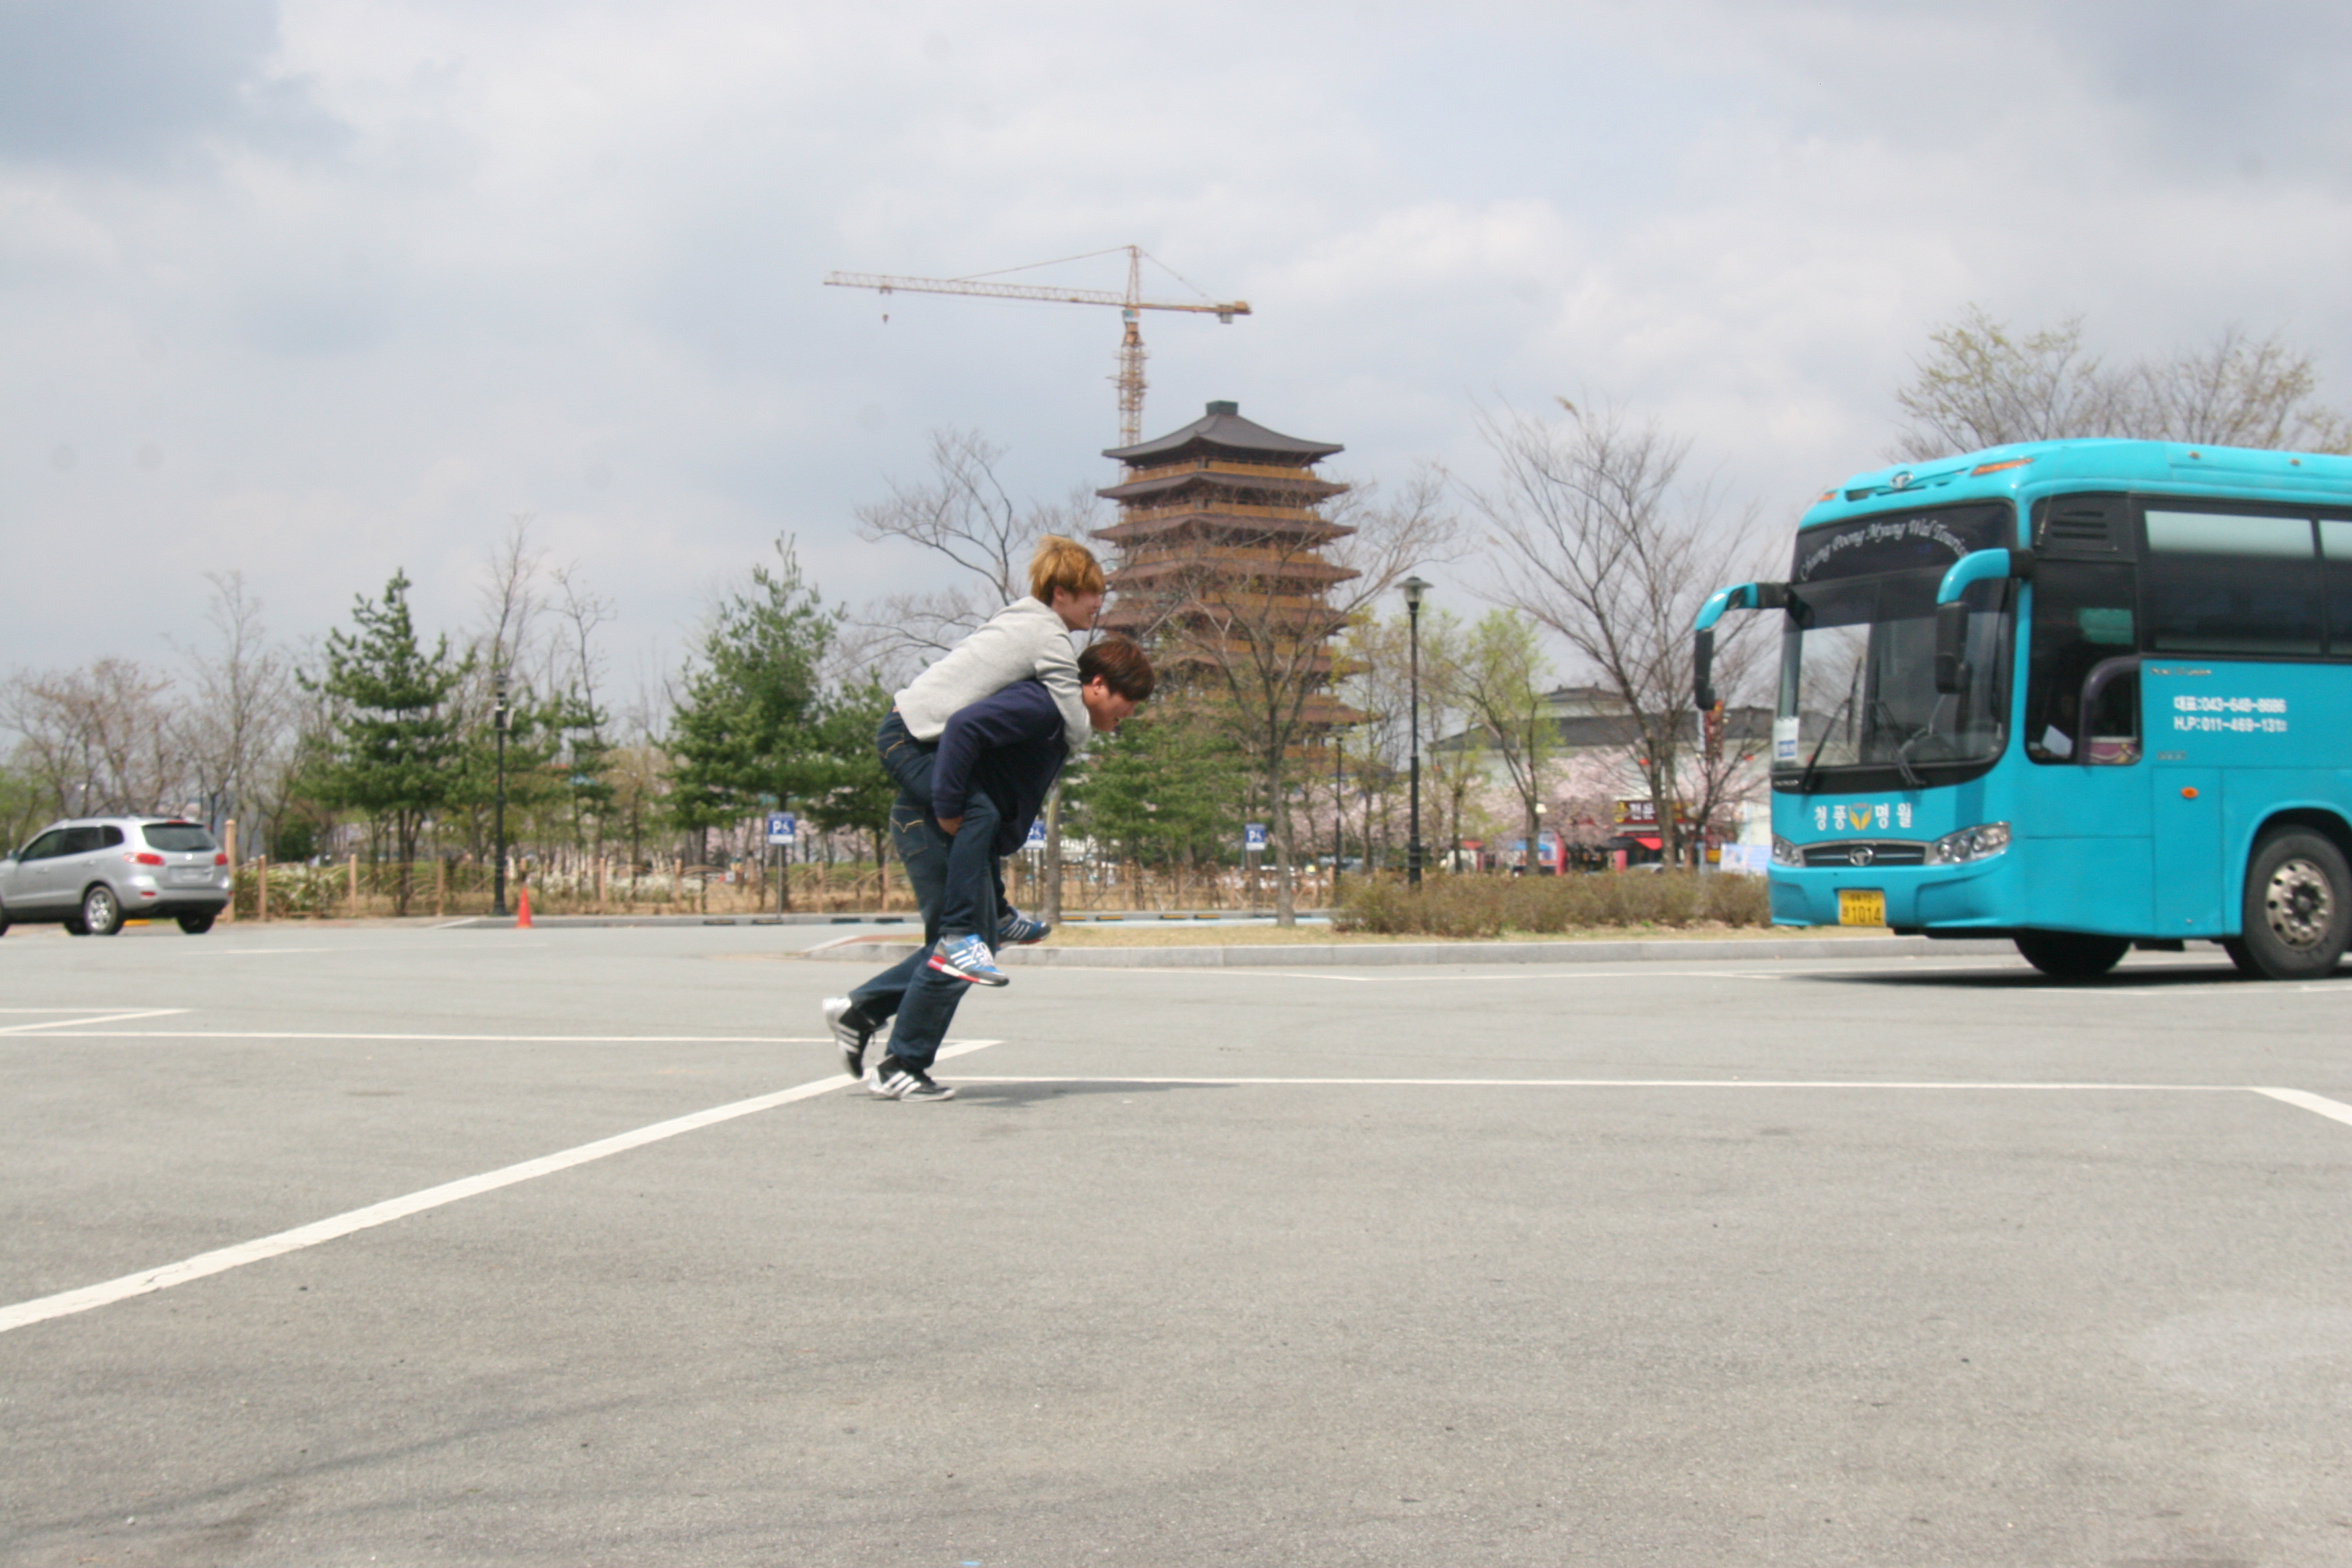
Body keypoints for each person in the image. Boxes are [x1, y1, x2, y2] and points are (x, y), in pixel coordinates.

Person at [823, 638, 1155, 1101]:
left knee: (970, 946)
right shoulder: (1042, 705)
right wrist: (950, 807)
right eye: (1129, 704)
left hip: (949, 831)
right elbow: (964, 727)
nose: (1129, 716)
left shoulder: (1059, 718)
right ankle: (901, 1062)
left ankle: (862, 1013)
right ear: (1098, 684)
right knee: (961, 949)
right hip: (935, 826)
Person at [871, 536, 1106, 984]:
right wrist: (1080, 736)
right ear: (1061, 593)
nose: (1098, 603)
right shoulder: (1048, 635)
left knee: (986, 810)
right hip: (910, 737)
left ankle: (995, 915)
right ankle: (960, 933)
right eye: (1092, 593)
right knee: (976, 810)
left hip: (914, 731)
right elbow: (1072, 715)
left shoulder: (1022, 616)